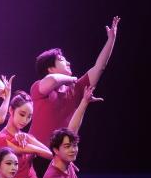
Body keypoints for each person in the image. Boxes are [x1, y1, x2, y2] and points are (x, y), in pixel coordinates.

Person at [29, 16, 119, 144]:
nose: (69, 63)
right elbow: (52, 80)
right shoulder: (38, 88)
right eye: (62, 60)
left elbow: (99, 67)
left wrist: (111, 40)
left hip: (60, 153)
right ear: (50, 68)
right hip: (35, 153)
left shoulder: (75, 89)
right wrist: (72, 78)